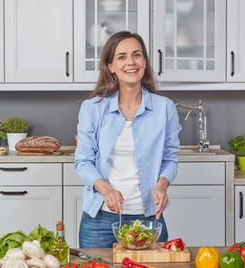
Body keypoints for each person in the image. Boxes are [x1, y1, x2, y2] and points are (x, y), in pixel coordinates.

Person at [75, 31, 182, 248]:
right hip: (100, 220)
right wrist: (106, 190)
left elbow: (170, 158)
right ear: (110, 66)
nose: (131, 62)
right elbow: (83, 162)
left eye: (137, 55)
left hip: (150, 219)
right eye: (121, 57)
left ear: (144, 62)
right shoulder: (92, 109)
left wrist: (162, 186)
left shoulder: (164, 108)